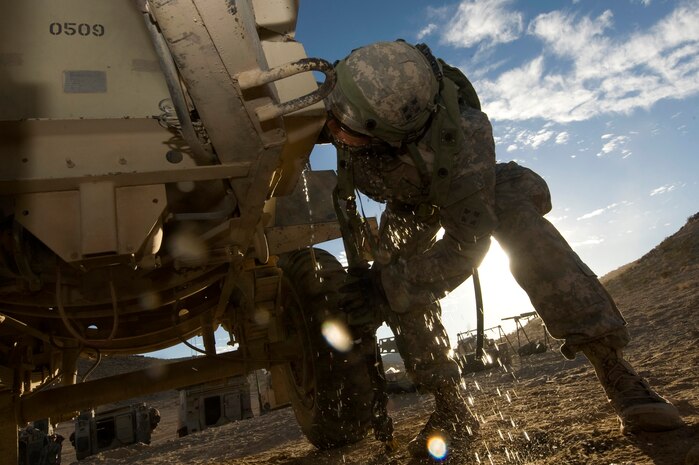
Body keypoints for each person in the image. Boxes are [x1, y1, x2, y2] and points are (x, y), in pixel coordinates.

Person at [324, 40, 683, 458]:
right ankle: (452, 406)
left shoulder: (466, 141)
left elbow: (465, 251)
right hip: (410, 207)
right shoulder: (351, 93)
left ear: (391, 133)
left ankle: (617, 373)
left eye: (346, 125)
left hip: (470, 191)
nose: (334, 125)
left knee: (520, 226)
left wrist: (392, 286)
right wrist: (386, 281)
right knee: (391, 274)